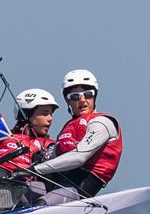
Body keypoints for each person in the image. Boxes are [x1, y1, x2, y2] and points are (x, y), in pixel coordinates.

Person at [32, 69, 122, 198]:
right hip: (57, 181)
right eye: (74, 97)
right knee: (24, 193)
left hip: (80, 186)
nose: (82, 100)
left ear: (95, 96)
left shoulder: (102, 122)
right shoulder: (67, 128)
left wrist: (36, 169)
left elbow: (79, 157)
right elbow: (52, 158)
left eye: (88, 94)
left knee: (44, 202)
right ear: (67, 101)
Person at [0, 88, 58, 175]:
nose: (50, 119)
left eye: (51, 114)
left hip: (29, 185)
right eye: (45, 114)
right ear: (26, 115)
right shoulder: (5, 137)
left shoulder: (50, 145)